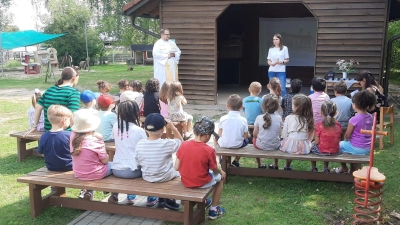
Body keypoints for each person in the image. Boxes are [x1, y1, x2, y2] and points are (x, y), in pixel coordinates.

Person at [175, 116, 226, 220]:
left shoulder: (183, 145)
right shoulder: (209, 150)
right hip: (200, 183)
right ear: (207, 136)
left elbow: (176, 167)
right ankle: (213, 210)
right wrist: (221, 171)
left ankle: (206, 201)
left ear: (194, 131)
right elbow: (214, 168)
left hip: (185, 181)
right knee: (220, 178)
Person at [135, 113, 183, 209]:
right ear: (162, 129)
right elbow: (182, 144)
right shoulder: (166, 143)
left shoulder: (140, 143)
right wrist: (173, 128)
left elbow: (138, 162)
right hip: (165, 176)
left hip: (147, 176)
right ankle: (169, 200)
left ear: (145, 129)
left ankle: (162, 199)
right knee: (178, 170)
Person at [108, 100, 147, 204]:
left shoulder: (116, 126)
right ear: (135, 113)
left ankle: (114, 194)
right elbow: (145, 149)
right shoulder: (139, 130)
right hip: (133, 170)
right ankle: (133, 196)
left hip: (116, 168)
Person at [70, 109, 113, 201]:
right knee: (114, 166)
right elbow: (104, 160)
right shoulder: (96, 140)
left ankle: (88, 191)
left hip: (78, 173)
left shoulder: (73, 136)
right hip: (96, 173)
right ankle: (113, 194)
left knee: (91, 167)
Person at [25, 67, 80, 135]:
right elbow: (72, 113)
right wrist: (75, 132)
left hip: (48, 131)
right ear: (74, 78)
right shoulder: (73, 92)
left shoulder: (50, 90)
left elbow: (37, 107)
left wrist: (34, 126)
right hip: (65, 133)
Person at [333, 91, 376, 173]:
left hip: (357, 148)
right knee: (349, 146)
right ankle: (353, 169)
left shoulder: (354, 119)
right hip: (367, 148)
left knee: (339, 145)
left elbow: (347, 136)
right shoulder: (370, 117)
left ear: (355, 105)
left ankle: (343, 167)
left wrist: (345, 138)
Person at [280, 94, 314, 170]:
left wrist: (285, 141)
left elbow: (284, 134)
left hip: (290, 146)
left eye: (292, 104)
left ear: (297, 107)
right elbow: (311, 136)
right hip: (305, 147)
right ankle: (313, 167)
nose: (291, 106)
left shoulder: (289, 117)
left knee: (288, 141)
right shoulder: (309, 119)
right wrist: (307, 143)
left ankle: (287, 165)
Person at [216, 94, 248, 167]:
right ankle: (236, 160)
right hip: (238, 145)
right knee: (245, 140)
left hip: (224, 144)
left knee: (215, 138)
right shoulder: (243, 120)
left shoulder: (223, 118)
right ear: (241, 107)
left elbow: (219, 134)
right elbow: (246, 136)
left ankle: (220, 157)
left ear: (227, 106)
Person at [37, 105, 73, 171]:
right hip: (69, 167)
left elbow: (42, 153)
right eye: (69, 119)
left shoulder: (44, 136)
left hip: (51, 167)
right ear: (64, 120)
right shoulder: (70, 135)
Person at [310, 100, 342, 173]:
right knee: (327, 145)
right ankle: (326, 168)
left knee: (312, 145)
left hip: (322, 151)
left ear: (321, 112)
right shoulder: (338, 125)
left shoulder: (319, 125)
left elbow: (317, 142)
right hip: (335, 151)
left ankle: (314, 168)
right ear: (336, 113)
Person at [253, 94, 283, 169]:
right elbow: (280, 133)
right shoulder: (279, 118)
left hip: (261, 145)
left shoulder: (259, 118)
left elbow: (254, 134)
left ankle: (260, 164)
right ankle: (275, 164)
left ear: (263, 106)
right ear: (277, 106)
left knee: (254, 139)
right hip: (275, 145)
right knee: (277, 138)